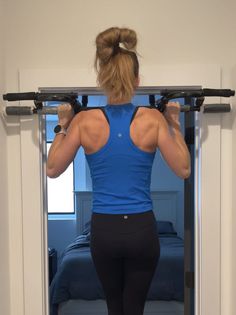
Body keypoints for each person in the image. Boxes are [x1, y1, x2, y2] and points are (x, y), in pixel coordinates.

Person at [47, 27, 191, 315]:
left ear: (102, 78)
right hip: (141, 230)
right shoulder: (153, 119)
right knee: (133, 308)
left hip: (105, 230)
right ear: (137, 80)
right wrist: (173, 122)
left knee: (116, 308)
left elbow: (52, 169)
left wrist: (64, 123)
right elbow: (184, 168)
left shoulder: (84, 122)